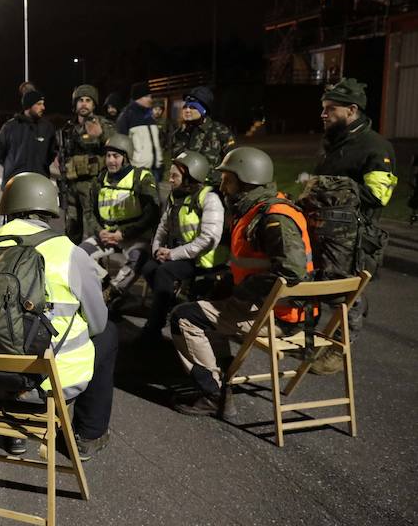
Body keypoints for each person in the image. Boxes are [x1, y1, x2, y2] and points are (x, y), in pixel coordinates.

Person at [169, 147, 313, 417]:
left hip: (278, 315)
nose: (222, 184)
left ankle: (212, 393)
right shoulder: (255, 208)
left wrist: (242, 292)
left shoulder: (273, 218)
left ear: (246, 180)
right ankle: (220, 381)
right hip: (270, 306)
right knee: (202, 297)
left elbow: (293, 272)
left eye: (228, 178)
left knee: (183, 317)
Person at [0, 172, 119, 460]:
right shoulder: (68, 252)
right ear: (49, 209)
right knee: (108, 333)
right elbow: (96, 322)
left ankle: (16, 431)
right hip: (45, 382)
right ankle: (88, 434)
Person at [310, 78, 398, 374]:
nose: (323, 115)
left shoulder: (375, 146)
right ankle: (310, 341)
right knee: (313, 285)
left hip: (354, 238)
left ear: (351, 110)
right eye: (323, 109)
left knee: (346, 295)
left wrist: (326, 185)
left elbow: (377, 195)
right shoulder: (333, 143)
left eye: (330, 109)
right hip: (323, 231)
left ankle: (338, 349)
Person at [139, 151, 224, 344]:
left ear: (190, 177)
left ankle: (153, 328)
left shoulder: (209, 199)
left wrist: (172, 254)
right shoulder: (175, 196)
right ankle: (170, 303)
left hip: (205, 259)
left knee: (164, 273)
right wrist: (157, 249)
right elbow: (162, 227)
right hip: (183, 254)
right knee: (148, 266)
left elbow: (208, 239)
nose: (169, 179)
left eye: (175, 176)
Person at [79, 134, 159, 306]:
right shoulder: (100, 180)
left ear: (126, 158)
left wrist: (123, 234)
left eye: (116, 156)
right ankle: (105, 283)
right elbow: (89, 212)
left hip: (135, 236)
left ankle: (113, 292)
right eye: (108, 156)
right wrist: (99, 231)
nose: (110, 160)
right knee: (78, 255)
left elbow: (151, 214)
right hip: (107, 235)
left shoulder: (142, 178)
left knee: (137, 259)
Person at [61, 84, 116, 244]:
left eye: (88, 100)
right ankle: (73, 261)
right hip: (72, 185)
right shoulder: (69, 129)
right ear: (75, 104)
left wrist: (101, 135)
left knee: (96, 228)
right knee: (72, 228)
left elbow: (118, 147)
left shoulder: (103, 124)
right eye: (80, 100)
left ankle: (97, 265)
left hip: (93, 184)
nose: (84, 104)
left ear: (93, 105)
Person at [170, 86, 235, 187]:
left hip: (211, 189)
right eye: (185, 106)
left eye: (193, 107)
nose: (187, 110)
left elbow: (232, 163)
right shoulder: (179, 134)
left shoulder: (220, 131)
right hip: (184, 189)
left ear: (204, 110)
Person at [0, 89, 57, 189]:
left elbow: (51, 153)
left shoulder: (47, 128)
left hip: (39, 184)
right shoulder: (10, 127)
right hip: (14, 185)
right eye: (39, 104)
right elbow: (0, 153)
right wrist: (13, 167)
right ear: (28, 106)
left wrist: (40, 166)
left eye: (43, 104)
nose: (43, 107)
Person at [115, 82, 163, 181]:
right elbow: (121, 146)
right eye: (147, 96)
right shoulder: (126, 116)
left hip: (154, 170)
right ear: (138, 97)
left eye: (150, 96)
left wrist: (159, 164)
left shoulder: (150, 116)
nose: (150, 99)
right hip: (137, 171)